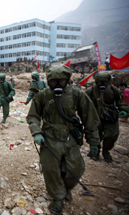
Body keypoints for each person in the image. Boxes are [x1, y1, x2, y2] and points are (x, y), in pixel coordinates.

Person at [27, 65, 100, 214]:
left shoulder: (77, 95)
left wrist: (94, 141)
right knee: (51, 170)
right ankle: (57, 197)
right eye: (54, 82)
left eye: (61, 81)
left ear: (67, 80)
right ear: (48, 81)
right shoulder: (42, 96)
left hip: (70, 138)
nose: (58, 85)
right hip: (49, 138)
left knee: (75, 168)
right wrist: (36, 132)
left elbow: (89, 118)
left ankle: (66, 188)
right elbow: (33, 116)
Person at [85, 73, 129, 162]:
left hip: (110, 117)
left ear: (108, 82)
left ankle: (106, 151)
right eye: (100, 82)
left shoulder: (113, 90)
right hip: (96, 117)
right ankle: (96, 152)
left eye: (104, 82)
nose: (102, 84)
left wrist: (124, 110)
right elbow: (84, 104)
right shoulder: (91, 91)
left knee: (112, 135)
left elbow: (119, 102)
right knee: (96, 136)